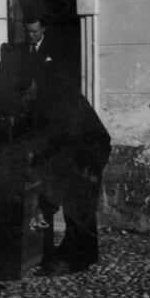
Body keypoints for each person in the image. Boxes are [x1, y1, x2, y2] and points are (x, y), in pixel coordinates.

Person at [28, 56, 111, 277]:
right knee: (79, 213)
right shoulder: (64, 100)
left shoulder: (64, 104)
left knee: (79, 213)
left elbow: (65, 139)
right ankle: (83, 254)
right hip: (80, 161)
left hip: (86, 163)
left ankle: (78, 260)